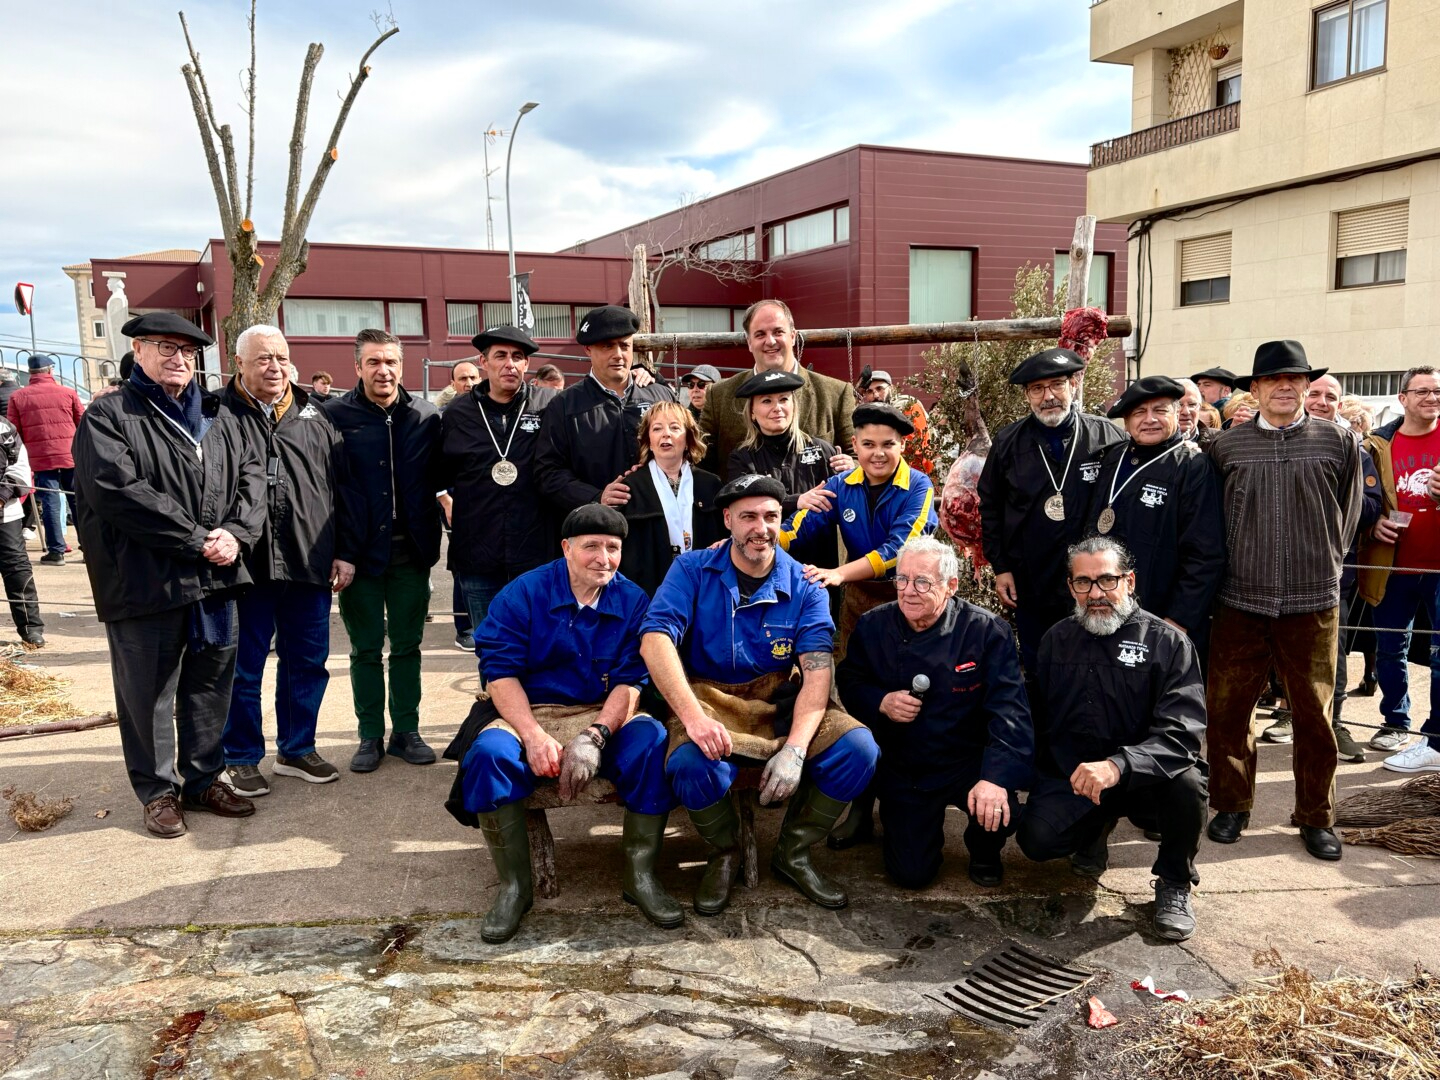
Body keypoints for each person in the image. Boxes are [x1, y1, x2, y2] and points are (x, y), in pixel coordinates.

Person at [640, 475, 880, 914]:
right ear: (728, 519)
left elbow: (817, 673)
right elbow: (655, 640)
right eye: (748, 516)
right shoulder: (691, 569)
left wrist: (795, 750)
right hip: (707, 696)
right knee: (691, 764)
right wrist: (693, 718)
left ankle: (794, 853)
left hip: (777, 699)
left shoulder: (805, 583)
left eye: (771, 516)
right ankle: (724, 852)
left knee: (858, 748)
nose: (761, 527)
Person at [72, 312, 266, 838]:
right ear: (137, 350)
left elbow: (252, 482)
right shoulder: (109, 415)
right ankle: (158, 791)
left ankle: (203, 779)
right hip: (146, 581)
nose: (179, 358)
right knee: (149, 693)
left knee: (210, 685)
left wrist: (237, 535)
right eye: (165, 347)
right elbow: (117, 491)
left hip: (217, 579)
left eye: (188, 350)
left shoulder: (218, 415)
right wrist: (197, 539)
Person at [449, 505, 682, 941]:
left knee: (651, 740)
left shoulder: (632, 599)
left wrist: (596, 736)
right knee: (487, 756)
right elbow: (499, 675)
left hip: (601, 709)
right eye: (591, 546)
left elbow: (633, 680)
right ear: (566, 548)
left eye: (613, 548)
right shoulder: (524, 593)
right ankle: (516, 887)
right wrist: (532, 735)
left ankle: (640, 876)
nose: (603, 558)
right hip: (529, 710)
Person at [1205, 341, 1362, 861]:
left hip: (1313, 601)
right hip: (1240, 599)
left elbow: (1348, 515)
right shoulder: (1227, 448)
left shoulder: (1338, 442)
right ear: (1255, 389)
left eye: (1295, 377)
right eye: (1274, 379)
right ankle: (1231, 806)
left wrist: (1325, 567)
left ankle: (1316, 815)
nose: (1286, 386)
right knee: (1228, 711)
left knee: (1316, 716)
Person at [1016, 536, 1208, 942]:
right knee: (1036, 842)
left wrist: (1119, 765)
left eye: (1107, 580)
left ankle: (1174, 882)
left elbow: (1182, 734)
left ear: (1130, 581)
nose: (1096, 593)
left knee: (1189, 784)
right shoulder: (1055, 640)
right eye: (1083, 583)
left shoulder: (1168, 644)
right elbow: (1035, 720)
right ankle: (1094, 832)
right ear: (1071, 588)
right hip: (1078, 779)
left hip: (1145, 782)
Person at [836, 537, 1031, 889]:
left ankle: (985, 850)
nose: (908, 591)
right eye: (902, 579)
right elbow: (849, 681)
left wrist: (996, 778)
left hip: (964, 760)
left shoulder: (986, 632)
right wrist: (881, 701)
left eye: (922, 582)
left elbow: (1010, 713)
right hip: (905, 762)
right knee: (911, 875)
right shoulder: (872, 626)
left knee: (1001, 810)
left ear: (951, 585)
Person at [219, 325, 352, 796]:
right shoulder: (218, 413)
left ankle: (297, 749)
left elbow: (342, 489)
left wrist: (344, 551)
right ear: (239, 363)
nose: (273, 367)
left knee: (308, 660)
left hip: (308, 559)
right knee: (243, 665)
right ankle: (240, 756)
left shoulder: (318, 415)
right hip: (244, 565)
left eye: (280, 357)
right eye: (262, 359)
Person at [325, 328, 443, 772]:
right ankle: (369, 735)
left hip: (412, 552)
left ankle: (406, 732)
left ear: (401, 366)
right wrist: (338, 550)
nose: (383, 370)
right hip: (358, 556)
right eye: (373, 362)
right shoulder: (334, 415)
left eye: (390, 361)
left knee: (409, 646)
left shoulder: (426, 416)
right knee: (366, 649)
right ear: (357, 368)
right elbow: (327, 490)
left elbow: (444, 475)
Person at [978, 347, 1126, 672]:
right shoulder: (1008, 443)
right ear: (1027, 396)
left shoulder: (1108, 436)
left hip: (1096, 579)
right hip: (1033, 577)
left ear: (1074, 384)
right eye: (1037, 389)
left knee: (1099, 659)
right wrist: (1000, 567)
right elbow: (990, 506)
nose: (1049, 396)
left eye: (1057, 384)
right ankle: (1045, 722)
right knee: (1041, 660)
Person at [1262, 374, 1382, 762]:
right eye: (1315, 393)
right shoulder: (1263, 441)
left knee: (1332, 652)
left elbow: (1368, 505)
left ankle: (1337, 721)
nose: (1321, 401)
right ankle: (1285, 713)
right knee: (1274, 644)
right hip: (1267, 572)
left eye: (1331, 396)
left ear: (1339, 404)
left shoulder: (1354, 448)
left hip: (1330, 574)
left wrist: (1321, 512)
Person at [1083, 376, 1225, 662]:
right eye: (1139, 412)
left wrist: (1178, 619)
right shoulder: (1111, 458)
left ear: (1176, 414)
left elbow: (1206, 554)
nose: (1150, 419)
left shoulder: (1193, 466)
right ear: (1126, 421)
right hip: (1105, 609)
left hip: (1161, 617)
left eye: (1160, 410)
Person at [780, 402, 938, 652]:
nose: (878, 453)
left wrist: (840, 574)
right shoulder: (840, 484)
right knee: (853, 673)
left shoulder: (919, 486)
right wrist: (754, 540)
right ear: (854, 445)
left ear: (903, 445)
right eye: (868, 445)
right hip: (857, 598)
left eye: (888, 444)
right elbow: (796, 528)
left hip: (910, 595)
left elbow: (899, 550)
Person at [439, 325, 559, 652]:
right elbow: (436, 470)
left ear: (526, 365)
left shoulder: (549, 405)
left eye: (518, 357)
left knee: (540, 648)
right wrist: (444, 498)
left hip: (537, 554)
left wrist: (640, 373)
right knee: (491, 650)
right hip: (478, 555)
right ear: (483, 362)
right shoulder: (456, 413)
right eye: (501, 356)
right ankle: (493, 704)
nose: (510, 364)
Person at [1356, 365, 1440, 772]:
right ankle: (1395, 721)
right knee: (1391, 649)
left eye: (1437, 391)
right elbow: (1358, 501)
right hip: (1391, 566)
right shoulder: (1375, 445)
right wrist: (1372, 523)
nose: (1431, 398)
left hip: (1439, 570)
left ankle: (1436, 738)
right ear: (1403, 398)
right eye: (1421, 391)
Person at [535, 305, 676, 526]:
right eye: (607, 346)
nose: (618, 355)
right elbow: (548, 473)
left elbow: (689, 455)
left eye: (624, 345)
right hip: (598, 529)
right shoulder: (564, 406)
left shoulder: (661, 395)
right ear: (588, 350)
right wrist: (596, 497)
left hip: (662, 523)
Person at [698, 300, 856, 480]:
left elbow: (858, 454)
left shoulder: (836, 393)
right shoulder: (719, 395)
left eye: (778, 332)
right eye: (760, 334)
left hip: (820, 505)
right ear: (749, 342)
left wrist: (851, 466)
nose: (770, 341)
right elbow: (701, 461)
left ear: (793, 336)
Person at [728, 369, 848, 569]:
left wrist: (853, 472)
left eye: (784, 399)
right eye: (767, 401)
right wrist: (797, 501)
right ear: (752, 412)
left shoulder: (822, 451)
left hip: (818, 568)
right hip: (763, 568)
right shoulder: (741, 458)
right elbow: (744, 504)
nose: (777, 408)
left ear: (794, 405)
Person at [618, 400, 723, 596]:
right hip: (650, 594)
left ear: (688, 439)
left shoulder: (711, 485)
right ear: (648, 441)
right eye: (657, 428)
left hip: (705, 590)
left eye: (675, 427)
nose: (666, 433)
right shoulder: (631, 486)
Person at [7, 354, 84, 565]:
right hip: (70, 454)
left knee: (50, 501)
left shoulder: (18, 397)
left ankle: (56, 551)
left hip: (40, 456)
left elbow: (14, 432)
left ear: (30, 374)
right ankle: (88, 548)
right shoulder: (68, 393)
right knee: (77, 499)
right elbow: (82, 423)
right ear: (50, 371)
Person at [0, 416, 43, 645]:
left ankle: (31, 628)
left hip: (6, 515)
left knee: (17, 569)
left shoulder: (4, 427)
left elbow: (20, 469)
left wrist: (1, 497)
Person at [856, 367, 935, 476]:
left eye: (880, 389)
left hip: (916, 473)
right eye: (870, 391)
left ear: (891, 388)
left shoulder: (908, 406)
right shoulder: (873, 414)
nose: (876, 395)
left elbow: (908, 447)